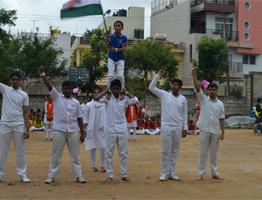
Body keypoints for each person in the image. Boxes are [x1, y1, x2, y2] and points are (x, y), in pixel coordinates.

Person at [38, 66, 86, 184]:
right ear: (62, 89)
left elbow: (79, 118)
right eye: (65, 88)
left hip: (73, 131)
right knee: (56, 154)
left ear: (72, 89)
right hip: (59, 130)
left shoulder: (76, 103)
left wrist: (82, 132)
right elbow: (49, 85)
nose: (67, 90)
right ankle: (51, 176)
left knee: (75, 155)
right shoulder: (57, 97)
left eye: (69, 88)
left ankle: (78, 176)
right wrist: (42, 73)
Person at [95, 79, 138, 182]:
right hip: (110, 129)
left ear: (120, 89)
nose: (115, 90)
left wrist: (126, 92)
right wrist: (106, 91)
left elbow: (136, 100)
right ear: (111, 88)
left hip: (122, 128)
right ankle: (110, 175)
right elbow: (96, 98)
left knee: (123, 153)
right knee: (109, 153)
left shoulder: (125, 99)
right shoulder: (107, 99)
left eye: (117, 88)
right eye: (113, 88)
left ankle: (123, 175)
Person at [149, 70, 188, 181]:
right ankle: (164, 173)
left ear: (180, 87)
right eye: (172, 84)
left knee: (174, 151)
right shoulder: (164, 94)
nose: (173, 86)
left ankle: (172, 173)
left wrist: (184, 128)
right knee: (166, 151)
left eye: (176, 85)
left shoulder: (183, 99)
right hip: (166, 126)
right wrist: (158, 76)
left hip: (177, 127)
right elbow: (151, 88)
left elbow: (184, 114)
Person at [192, 67, 225, 181]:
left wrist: (223, 132)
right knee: (203, 153)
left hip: (215, 131)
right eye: (209, 89)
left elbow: (222, 118)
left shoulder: (220, 104)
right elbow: (197, 88)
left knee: (214, 154)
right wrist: (194, 75)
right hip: (205, 129)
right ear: (207, 91)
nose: (211, 91)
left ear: (216, 91)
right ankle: (201, 174)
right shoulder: (203, 99)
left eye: (213, 89)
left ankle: (214, 173)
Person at [0, 71, 30, 183]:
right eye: (13, 79)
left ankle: (22, 174)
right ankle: (0, 174)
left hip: (19, 124)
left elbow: (26, 113)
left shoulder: (24, 95)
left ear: (20, 81)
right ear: (10, 80)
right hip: (5, 123)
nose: (15, 81)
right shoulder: (5, 89)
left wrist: (27, 129)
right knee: (2, 150)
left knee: (20, 150)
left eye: (17, 79)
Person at [83, 89, 106, 172]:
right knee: (92, 147)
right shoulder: (88, 105)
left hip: (102, 128)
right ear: (92, 94)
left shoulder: (104, 104)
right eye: (95, 92)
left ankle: (102, 165)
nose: (96, 94)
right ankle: (94, 166)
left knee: (103, 146)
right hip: (91, 128)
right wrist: (85, 129)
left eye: (98, 93)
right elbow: (85, 117)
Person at [106, 21, 127, 91]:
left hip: (120, 59)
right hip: (111, 58)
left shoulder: (124, 37)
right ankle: (108, 90)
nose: (117, 27)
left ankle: (122, 91)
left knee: (120, 76)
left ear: (122, 28)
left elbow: (123, 49)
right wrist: (108, 42)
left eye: (119, 26)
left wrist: (115, 50)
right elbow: (108, 47)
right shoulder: (110, 37)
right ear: (114, 27)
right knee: (110, 75)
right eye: (116, 26)